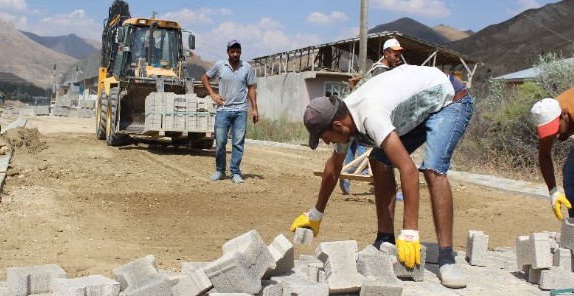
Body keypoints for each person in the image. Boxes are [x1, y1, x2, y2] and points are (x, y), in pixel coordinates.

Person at [290, 64, 473, 289]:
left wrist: (410, 232)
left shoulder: (370, 115)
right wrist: (315, 215)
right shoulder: (345, 119)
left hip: (450, 100)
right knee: (378, 160)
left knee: (433, 169)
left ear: (337, 125)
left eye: (325, 137)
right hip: (419, 108)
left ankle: (447, 259)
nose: (327, 142)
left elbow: (408, 170)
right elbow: (333, 168)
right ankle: (385, 239)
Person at [339, 38, 405, 194]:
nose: (398, 57)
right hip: (360, 115)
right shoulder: (381, 72)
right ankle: (385, 187)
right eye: (395, 54)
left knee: (353, 147)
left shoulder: (378, 70)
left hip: (353, 113)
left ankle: (346, 176)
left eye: (399, 54)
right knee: (371, 150)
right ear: (386, 53)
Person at [201, 40, 259, 183]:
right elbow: (204, 77)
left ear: (240, 52)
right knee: (220, 142)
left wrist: (255, 108)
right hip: (223, 110)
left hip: (240, 111)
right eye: (232, 51)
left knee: (238, 143)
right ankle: (220, 171)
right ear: (228, 52)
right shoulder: (220, 65)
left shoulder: (246, 68)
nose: (235, 54)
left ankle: (235, 173)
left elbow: (251, 88)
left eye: (237, 51)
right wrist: (212, 94)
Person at [530, 88, 574, 221]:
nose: (557, 135)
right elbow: (544, 154)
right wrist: (553, 192)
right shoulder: (548, 116)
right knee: (570, 173)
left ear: (564, 114)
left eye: (557, 129)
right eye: (551, 132)